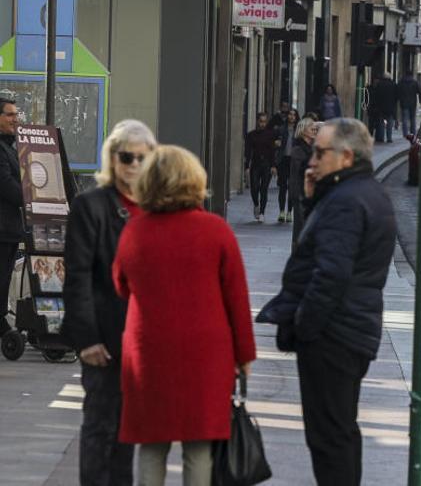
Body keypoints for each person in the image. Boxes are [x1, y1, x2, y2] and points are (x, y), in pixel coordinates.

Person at [112, 145, 256, 486]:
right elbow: (237, 297)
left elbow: (120, 284)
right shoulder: (216, 230)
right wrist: (245, 355)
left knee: (151, 444)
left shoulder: (135, 230)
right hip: (206, 352)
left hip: (149, 351)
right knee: (199, 445)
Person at [273, 118, 396, 485]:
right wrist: (314, 201)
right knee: (339, 431)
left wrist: (304, 326)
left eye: (320, 152)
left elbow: (331, 272)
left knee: (329, 438)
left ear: (345, 156)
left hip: (334, 334)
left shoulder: (347, 200)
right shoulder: (359, 193)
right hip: (349, 330)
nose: (312, 159)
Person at [62, 119, 157, 486]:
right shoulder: (91, 206)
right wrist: (86, 340)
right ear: (112, 159)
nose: (132, 164)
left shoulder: (156, 208)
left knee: (128, 433)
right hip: (103, 338)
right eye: (125, 156)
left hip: (143, 343)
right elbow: (78, 275)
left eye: (140, 158)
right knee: (100, 427)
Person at [0, 98, 22, 338]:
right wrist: (31, 198)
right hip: (2, 227)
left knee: (4, 277)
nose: (15, 119)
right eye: (9, 115)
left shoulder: (9, 147)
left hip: (9, 227)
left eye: (16, 114)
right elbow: (6, 184)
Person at [289, 117, 318, 244]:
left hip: (312, 195)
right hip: (301, 194)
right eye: (311, 127)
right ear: (303, 130)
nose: (314, 129)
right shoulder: (298, 150)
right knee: (300, 229)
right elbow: (295, 175)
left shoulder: (313, 149)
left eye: (314, 127)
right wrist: (296, 195)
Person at [245, 112, 277, 222]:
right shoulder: (251, 135)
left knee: (264, 189)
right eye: (261, 121)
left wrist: (273, 166)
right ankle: (256, 204)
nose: (262, 124)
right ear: (257, 121)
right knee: (254, 187)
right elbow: (248, 151)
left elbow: (272, 150)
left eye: (264, 121)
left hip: (267, 164)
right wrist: (247, 166)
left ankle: (262, 212)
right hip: (255, 163)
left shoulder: (270, 134)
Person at [275, 109, 302, 222]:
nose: (291, 117)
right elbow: (275, 143)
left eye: (293, 115)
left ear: (296, 117)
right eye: (290, 114)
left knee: (292, 187)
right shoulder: (281, 129)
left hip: (294, 160)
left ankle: (290, 212)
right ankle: (282, 211)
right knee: (282, 186)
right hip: (283, 160)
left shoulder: (299, 131)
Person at [396, 72, 421, 137]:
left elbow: (397, 91)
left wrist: (398, 98)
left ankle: (405, 133)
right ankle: (413, 133)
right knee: (412, 119)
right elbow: (419, 91)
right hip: (413, 103)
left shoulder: (401, 82)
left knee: (405, 119)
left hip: (404, 103)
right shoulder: (414, 82)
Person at [375, 74, 398, 143]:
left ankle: (381, 137)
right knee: (389, 123)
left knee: (381, 122)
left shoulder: (379, 84)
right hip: (390, 106)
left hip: (381, 106)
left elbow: (377, 95)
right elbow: (396, 96)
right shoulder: (393, 84)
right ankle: (389, 138)